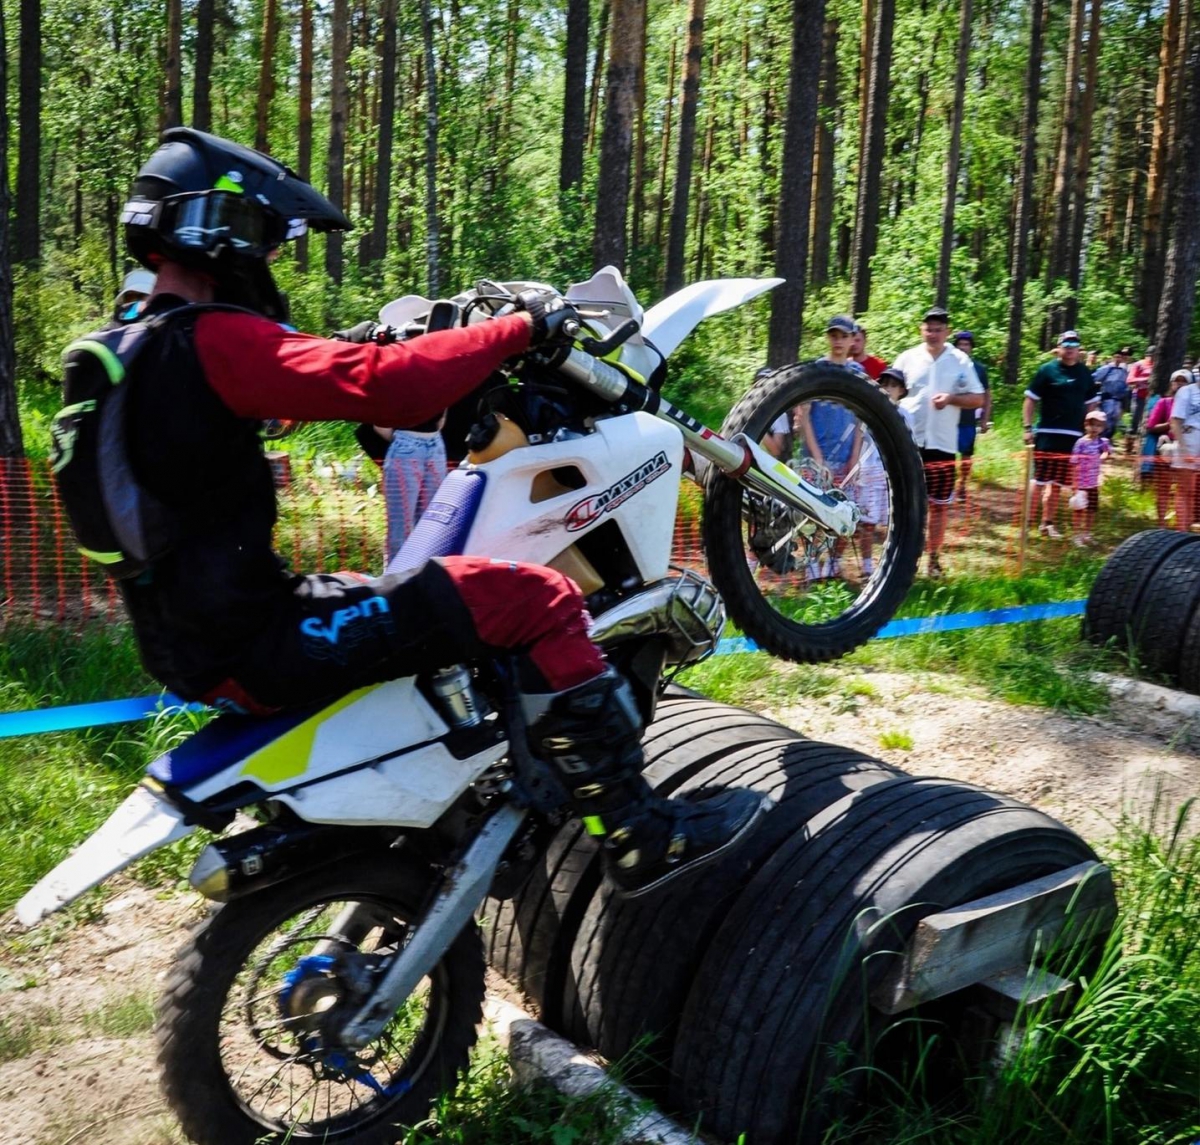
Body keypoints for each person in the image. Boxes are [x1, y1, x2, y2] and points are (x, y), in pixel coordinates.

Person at [53, 128, 766, 899]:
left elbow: (300, 383)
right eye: (266, 240)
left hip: (187, 646)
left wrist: (363, 340)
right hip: (261, 640)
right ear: (227, 231)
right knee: (538, 598)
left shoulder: (127, 350)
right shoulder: (213, 342)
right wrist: (520, 328)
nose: (269, 260)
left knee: (425, 596)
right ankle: (638, 835)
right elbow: (387, 390)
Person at [891, 306, 985, 579]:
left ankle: (933, 560)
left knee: (939, 505)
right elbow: (887, 390)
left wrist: (952, 399)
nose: (933, 334)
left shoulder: (960, 361)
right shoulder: (907, 358)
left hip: (943, 444)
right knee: (905, 502)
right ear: (922, 329)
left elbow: (978, 398)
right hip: (908, 443)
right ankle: (901, 560)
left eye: (938, 329)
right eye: (928, 328)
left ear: (947, 331)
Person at [795, 315, 868, 580]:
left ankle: (834, 565)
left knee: (844, 514)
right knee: (813, 514)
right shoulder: (817, 369)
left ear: (852, 340)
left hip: (846, 457)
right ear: (829, 338)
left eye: (844, 336)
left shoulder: (858, 374)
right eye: (834, 335)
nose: (838, 341)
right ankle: (811, 567)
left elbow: (862, 419)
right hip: (816, 457)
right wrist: (817, 459)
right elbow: (803, 414)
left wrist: (856, 458)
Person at [1022, 330, 1099, 540]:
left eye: (1074, 346)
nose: (1070, 350)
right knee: (1038, 480)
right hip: (1047, 433)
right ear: (1059, 348)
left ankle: (1047, 523)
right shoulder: (1047, 370)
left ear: (1079, 349)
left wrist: (1091, 430)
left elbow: (1092, 403)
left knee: (1057, 484)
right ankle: (1026, 523)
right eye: (1066, 346)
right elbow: (1030, 400)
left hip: (1073, 436)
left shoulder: (1085, 373)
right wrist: (1028, 428)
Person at [378, 412, 449, 563]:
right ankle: (394, 580)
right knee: (401, 528)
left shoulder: (439, 388)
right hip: (405, 446)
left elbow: (442, 417)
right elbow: (380, 424)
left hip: (436, 445)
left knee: (431, 523)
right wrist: (403, 442)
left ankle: (423, 578)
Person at [1144, 369, 1190, 526]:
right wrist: (1170, 424)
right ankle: (1161, 524)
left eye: (1184, 381)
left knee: (1185, 490)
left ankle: (1181, 525)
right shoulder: (1164, 402)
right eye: (1177, 380)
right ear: (1171, 383)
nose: (1179, 384)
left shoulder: (1194, 406)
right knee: (1163, 488)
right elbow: (1151, 426)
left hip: (1188, 451)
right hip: (1167, 449)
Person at [951, 330, 992, 500]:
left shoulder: (979, 369)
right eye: (960, 344)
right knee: (947, 455)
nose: (963, 347)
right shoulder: (947, 366)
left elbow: (987, 395)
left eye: (966, 344)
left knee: (966, 455)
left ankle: (962, 486)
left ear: (971, 348)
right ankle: (946, 485)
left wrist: (985, 418)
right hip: (949, 418)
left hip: (968, 419)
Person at [1069, 410, 1111, 546]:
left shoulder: (1102, 442)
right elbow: (1073, 463)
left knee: (1092, 510)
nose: (1094, 428)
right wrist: (1074, 484)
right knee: (1079, 509)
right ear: (1086, 425)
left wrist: (1104, 455)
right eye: (1092, 425)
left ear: (1103, 428)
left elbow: (1106, 452)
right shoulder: (1080, 442)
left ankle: (1086, 533)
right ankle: (1076, 535)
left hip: (1093, 483)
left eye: (1099, 426)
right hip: (1081, 483)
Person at [1170, 370, 1200, 530]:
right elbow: (1175, 420)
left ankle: (1190, 527)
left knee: (1195, 490)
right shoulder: (1187, 391)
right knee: (1185, 489)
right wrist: (1183, 450)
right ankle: (1182, 530)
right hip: (1188, 438)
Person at [1092, 348, 1131, 440]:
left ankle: (1108, 438)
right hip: (1107, 398)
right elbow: (1094, 377)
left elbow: (1127, 383)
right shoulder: (1107, 368)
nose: (1118, 359)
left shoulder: (1124, 370)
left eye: (1120, 357)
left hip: (1118, 399)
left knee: (1115, 420)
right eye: (1116, 357)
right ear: (1113, 357)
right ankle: (1101, 437)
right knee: (1106, 418)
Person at [1128, 344, 1155, 440]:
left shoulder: (1159, 365)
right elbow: (1130, 380)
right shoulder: (1139, 364)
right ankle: (1130, 442)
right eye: (1150, 355)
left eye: (1154, 356)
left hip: (1153, 397)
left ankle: (1143, 441)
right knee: (1135, 420)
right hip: (1139, 396)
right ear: (1146, 354)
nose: (1151, 358)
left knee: (1148, 422)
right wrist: (1146, 379)